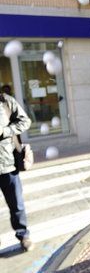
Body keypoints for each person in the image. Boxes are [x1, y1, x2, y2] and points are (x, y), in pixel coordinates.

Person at [0, 91, 34, 251]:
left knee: (16, 204)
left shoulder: (5, 101)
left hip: (7, 164)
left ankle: (23, 235)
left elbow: (25, 121)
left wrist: (5, 131)